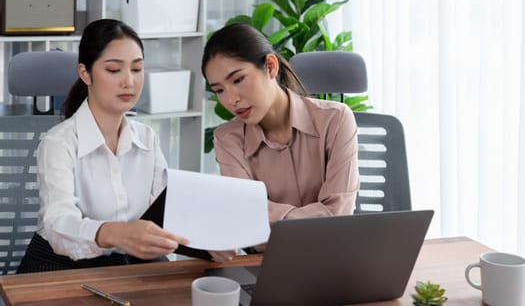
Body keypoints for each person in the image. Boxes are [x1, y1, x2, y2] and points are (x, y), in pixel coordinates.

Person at [17, 19, 233, 273]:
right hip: (61, 268)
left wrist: (205, 241)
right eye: (113, 70)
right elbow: (58, 225)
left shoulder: (147, 139)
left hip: (128, 267)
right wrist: (114, 233)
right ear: (85, 73)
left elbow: (167, 215)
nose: (129, 82)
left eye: (137, 69)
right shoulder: (58, 142)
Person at [202, 23, 360, 237]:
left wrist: (268, 219)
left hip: (334, 254)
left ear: (270, 66)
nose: (232, 99)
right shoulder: (228, 140)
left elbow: (339, 215)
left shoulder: (337, 119)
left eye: (238, 80)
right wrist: (319, 217)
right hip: (266, 261)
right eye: (219, 90)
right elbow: (247, 223)